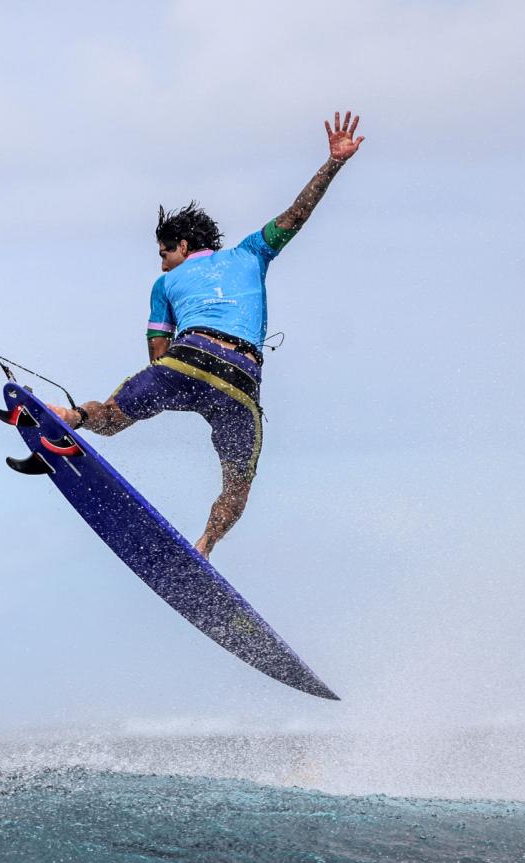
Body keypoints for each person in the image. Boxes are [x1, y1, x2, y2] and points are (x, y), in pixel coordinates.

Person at [50, 111, 365, 558]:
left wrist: (152, 397)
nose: (161, 264)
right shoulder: (253, 252)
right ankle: (204, 546)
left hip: (187, 360)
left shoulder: (164, 285)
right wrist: (333, 163)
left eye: (164, 253)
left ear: (182, 247)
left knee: (113, 418)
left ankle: (71, 417)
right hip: (240, 382)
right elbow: (297, 213)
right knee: (238, 483)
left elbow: (159, 356)